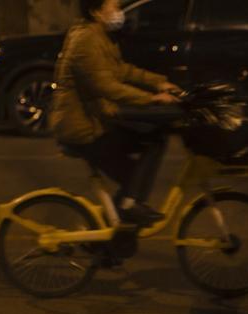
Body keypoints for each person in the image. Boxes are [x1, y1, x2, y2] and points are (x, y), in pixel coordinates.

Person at [49, 0, 182, 225]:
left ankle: (120, 218)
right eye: (113, 7)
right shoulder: (86, 40)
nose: (119, 13)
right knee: (141, 162)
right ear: (96, 12)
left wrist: (158, 83)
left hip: (95, 121)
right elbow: (106, 86)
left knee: (151, 144)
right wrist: (150, 98)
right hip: (83, 129)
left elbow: (121, 70)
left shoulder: (99, 35)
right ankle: (127, 209)